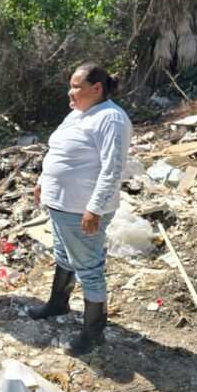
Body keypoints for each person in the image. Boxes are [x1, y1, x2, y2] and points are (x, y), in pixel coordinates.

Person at [31, 62, 132, 355]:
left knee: (89, 268)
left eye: (76, 87)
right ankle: (58, 303)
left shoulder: (110, 118)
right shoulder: (78, 114)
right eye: (71, 86)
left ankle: (93, 333)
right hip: (62, 204)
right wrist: (43, 181)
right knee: (64, 255)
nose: (70, 92)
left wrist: (96, 208)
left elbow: (113, 168)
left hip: (81, 209)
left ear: (96, 88)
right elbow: (59, 151)